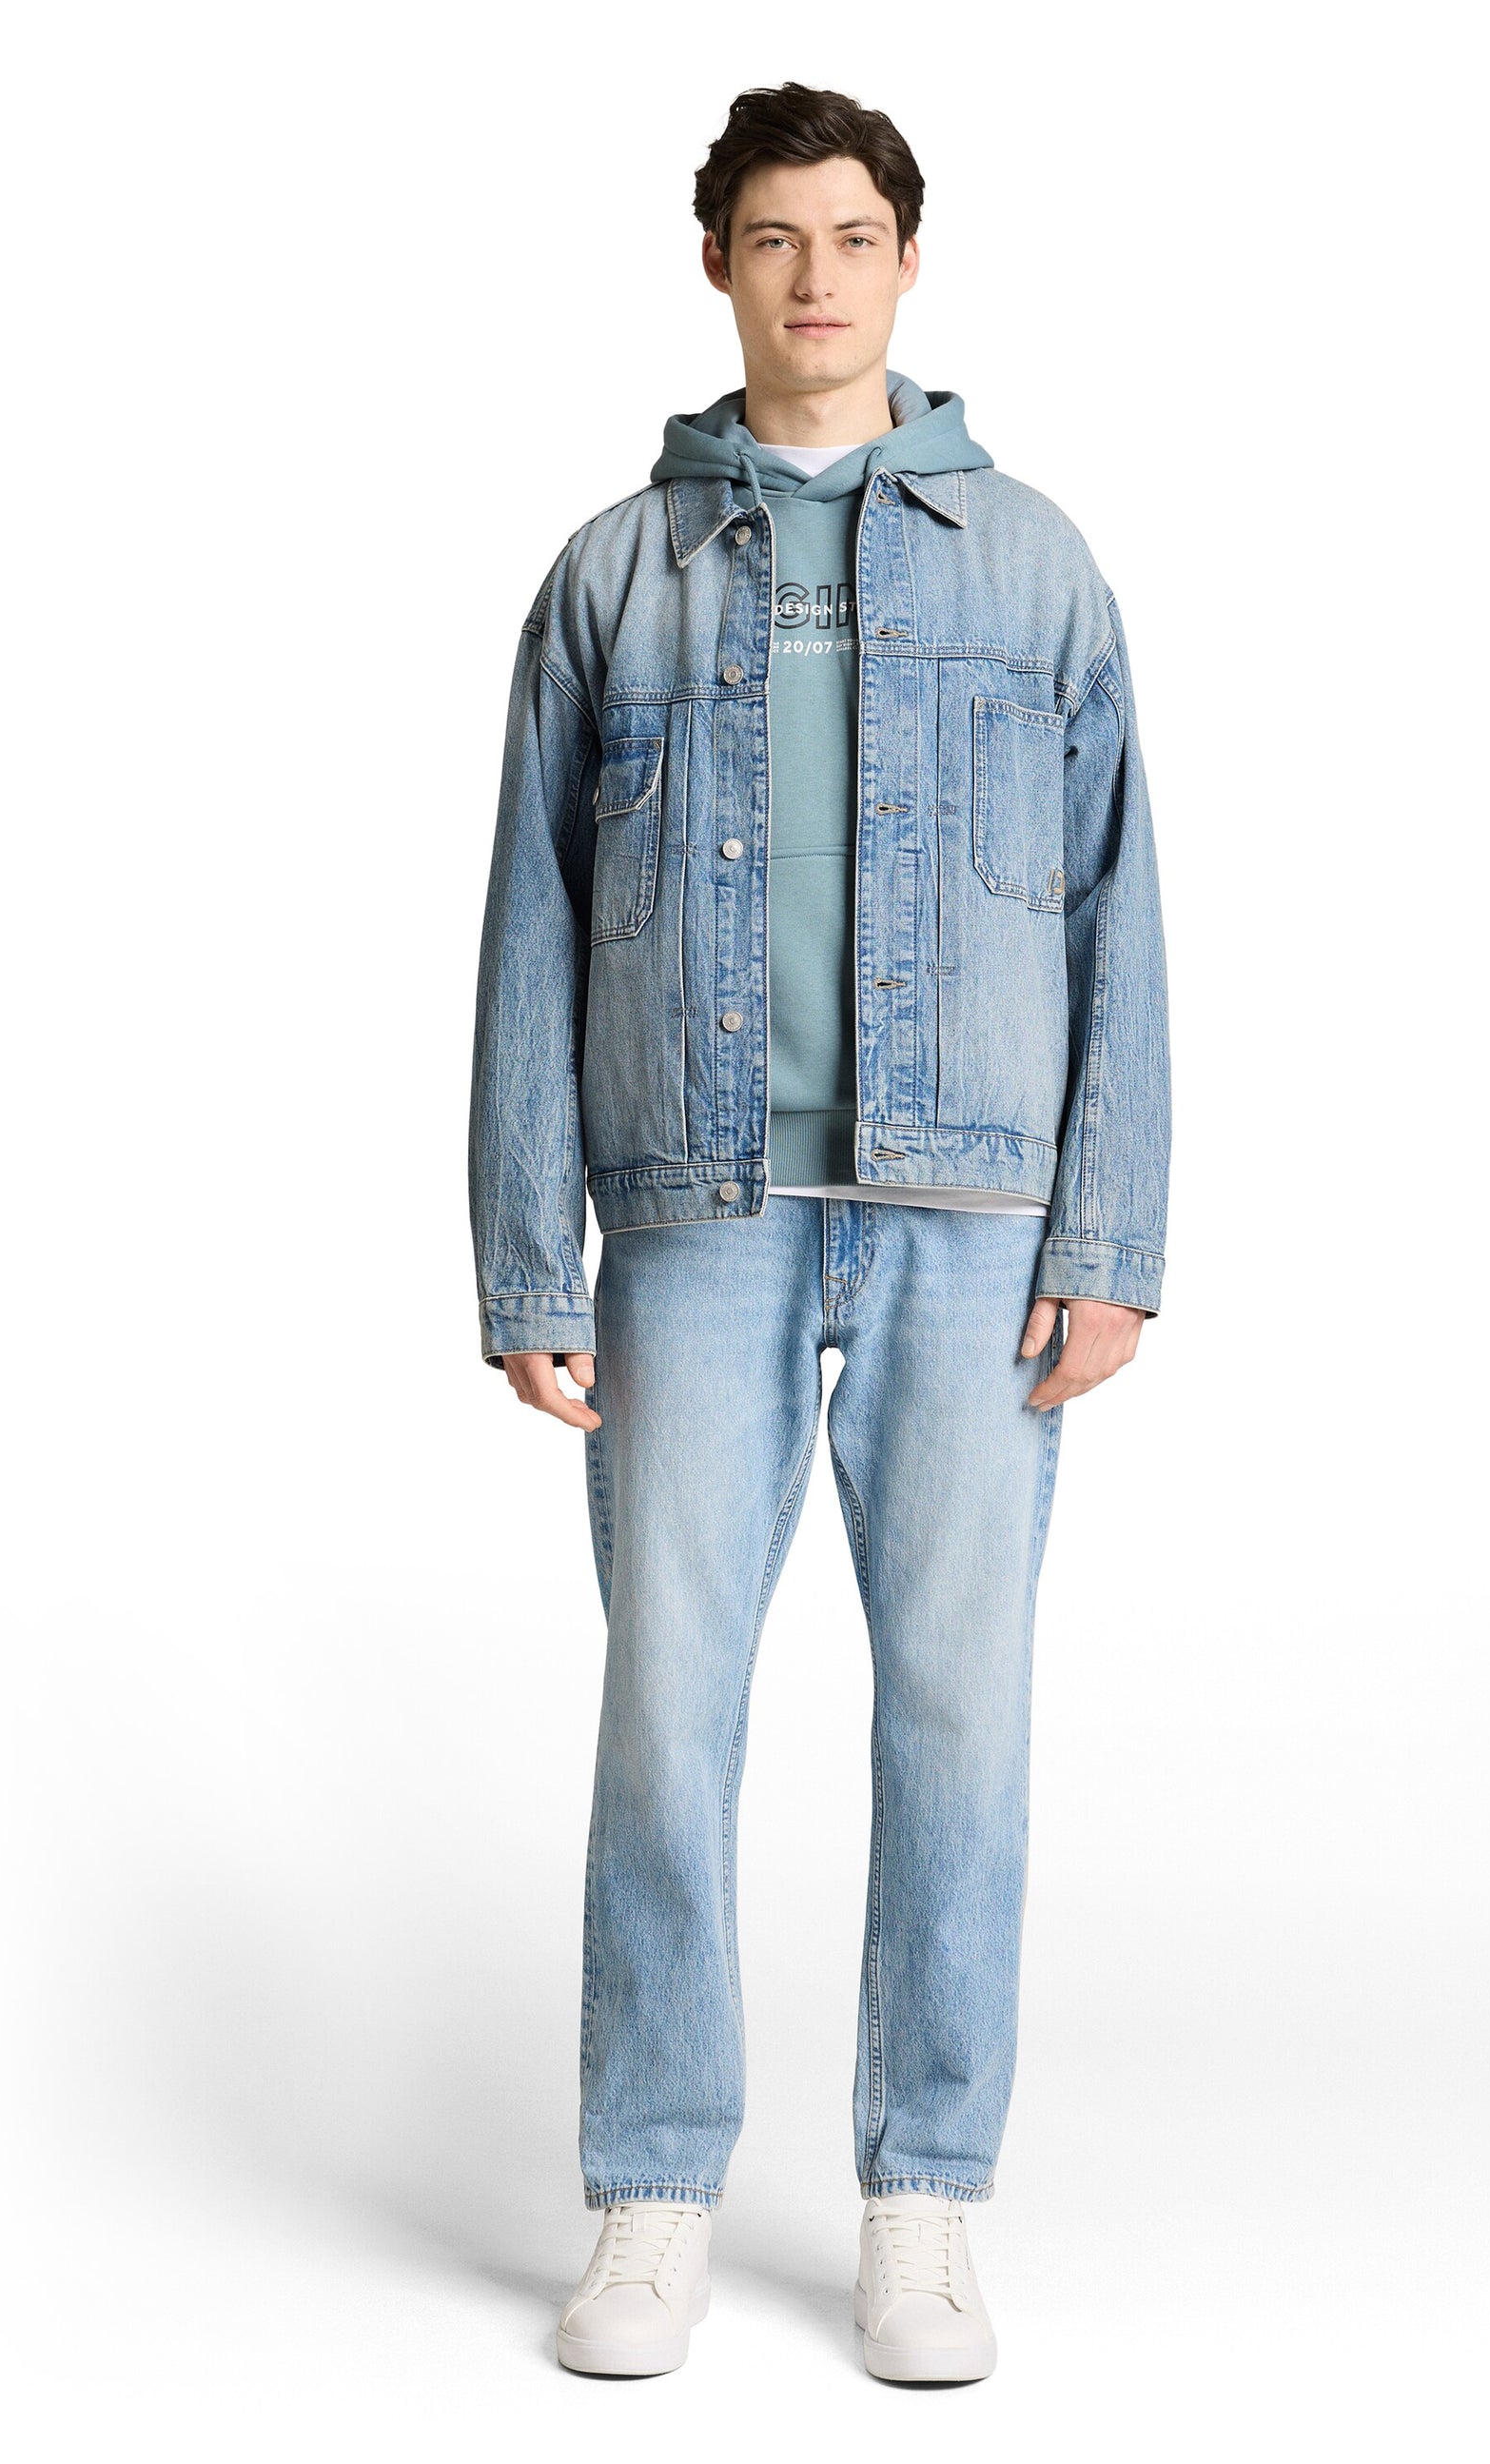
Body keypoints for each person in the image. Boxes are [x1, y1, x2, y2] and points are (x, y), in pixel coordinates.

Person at [468, 80, 1170, 2385]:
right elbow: (529, 924)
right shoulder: (614, 572)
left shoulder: (1032, 563)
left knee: (959, 1715)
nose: (815, 278)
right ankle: (655, 2184)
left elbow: (1118, 910)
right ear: (717, 265)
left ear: (906, 262)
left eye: (852, 236)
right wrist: (527, 1251)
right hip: (696, 1207)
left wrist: (1111, 1232)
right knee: (667, 1713)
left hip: (971, 1213)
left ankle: (924, 2195)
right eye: (774, 238)